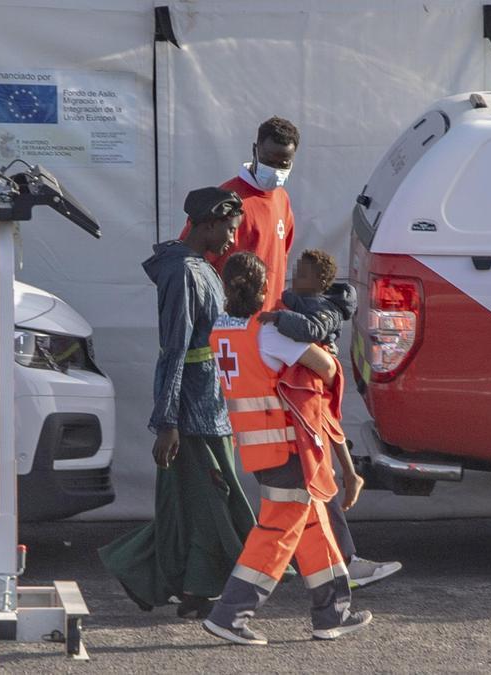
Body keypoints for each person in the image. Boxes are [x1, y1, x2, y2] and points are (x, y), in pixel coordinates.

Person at [182, 116, 401, 589]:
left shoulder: (280, 199)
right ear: (254, 148)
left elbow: (277, 272)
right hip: (252, 345)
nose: (277, 168)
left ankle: (331, 566)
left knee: (299, 467)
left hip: (272, 342)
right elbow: (196, 260)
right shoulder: (228, 201)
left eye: (285, 162)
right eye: (270, 158)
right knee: (298, 463)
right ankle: (314, 568)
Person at [203, 252, 372, 645]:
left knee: (313, 525)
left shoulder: (221, 331)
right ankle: (230, 614)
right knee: (276, 533)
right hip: (288, 448)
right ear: (264, 288)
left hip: (258, 448)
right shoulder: (269, 332)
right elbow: (326, 369)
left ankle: (333, 613)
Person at [99, 187, 251, 620]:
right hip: (192, 416)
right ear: (208, 223)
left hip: (211, 408)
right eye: (229, 229)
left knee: (195, 507)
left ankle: (194, 592)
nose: (232, 240)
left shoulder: (202, 268)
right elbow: (175, 349)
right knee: (213, 507)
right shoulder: (181, 272)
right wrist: (168, 422)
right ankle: (194, 588)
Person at [259, 249, 354, 356]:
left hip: (309, 364)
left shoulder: (328, 309)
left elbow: (314, 329)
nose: (296, 277)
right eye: (297, 271)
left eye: (303, 275)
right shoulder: (298, 294)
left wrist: (278, 317)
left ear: (320, 282)